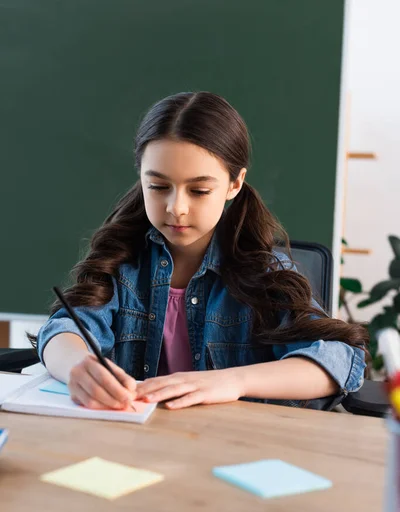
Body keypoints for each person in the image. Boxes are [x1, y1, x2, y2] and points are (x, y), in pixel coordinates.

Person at [32, 91, 368, 411]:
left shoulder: (266, 275)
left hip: (227, 451)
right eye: (159, 187)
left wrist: (231, 382)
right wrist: (79, 366)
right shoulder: (123, 264)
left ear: (234, 184)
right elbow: (63, 332)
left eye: (200, 190)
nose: (176, 208)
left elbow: (337, 359)